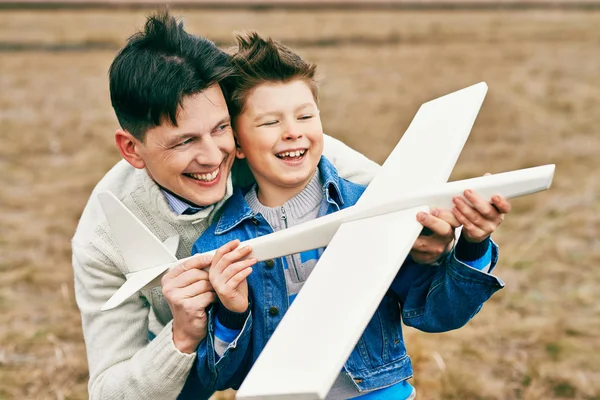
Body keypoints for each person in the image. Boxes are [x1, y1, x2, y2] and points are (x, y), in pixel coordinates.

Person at [71, 11, 464, 400]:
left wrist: (444, 239)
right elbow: (109, 392)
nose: (214, 157)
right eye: (184, 142)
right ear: (131, 149)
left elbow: (413, 203)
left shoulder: (279, 151)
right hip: (188, 368)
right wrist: (181, 337)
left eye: (222, 128)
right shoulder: (103, 240)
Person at [189, 32, 511, 399]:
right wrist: (232, 315)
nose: (293, 132)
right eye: (269, 123)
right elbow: (219, 376)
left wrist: (473, 243)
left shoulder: (374, 209)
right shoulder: (218, 245)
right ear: (238, 144)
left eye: (305, 116)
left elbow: (439, 314)